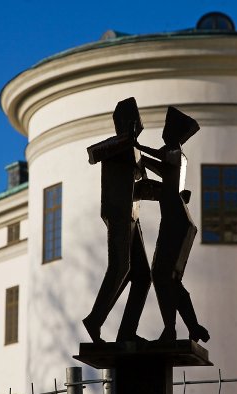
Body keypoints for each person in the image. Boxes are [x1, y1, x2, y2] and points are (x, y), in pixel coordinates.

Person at [135, 107, 210, 343]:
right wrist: (141, 154)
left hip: (175, 222)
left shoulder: (173, 152)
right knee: (169, 277)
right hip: (179, 221)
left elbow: (159, 162)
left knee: (161, 275)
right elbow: (160, 167)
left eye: (168, 128)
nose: (164, 132)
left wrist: (136, 150)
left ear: (173, 132)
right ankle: (191, 327)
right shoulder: (177, 155)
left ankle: (171, 330)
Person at [83, 98, 151, 343]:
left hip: (133, 215)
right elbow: (93, 154)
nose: (138, 128)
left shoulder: (135, 150)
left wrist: (171, 193)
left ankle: (126, 332)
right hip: (118, 212)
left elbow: (142, 187)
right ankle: (94, 320)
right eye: (134, 123)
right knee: (120, 267)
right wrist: (123, 140)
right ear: (126, 123)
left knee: (143, 275)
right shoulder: (119, 145)